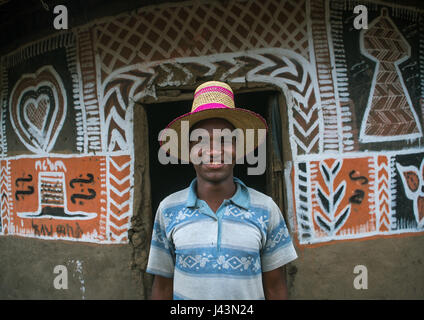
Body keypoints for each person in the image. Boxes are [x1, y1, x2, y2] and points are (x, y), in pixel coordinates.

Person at [146, 81, 297, 300]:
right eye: (200, 140)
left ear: (238, 148)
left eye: (225, 140)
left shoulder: (265, 209)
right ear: (190, 150)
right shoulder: (168, 209)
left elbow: (275, 288)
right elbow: (162, 288)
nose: (213, 150)